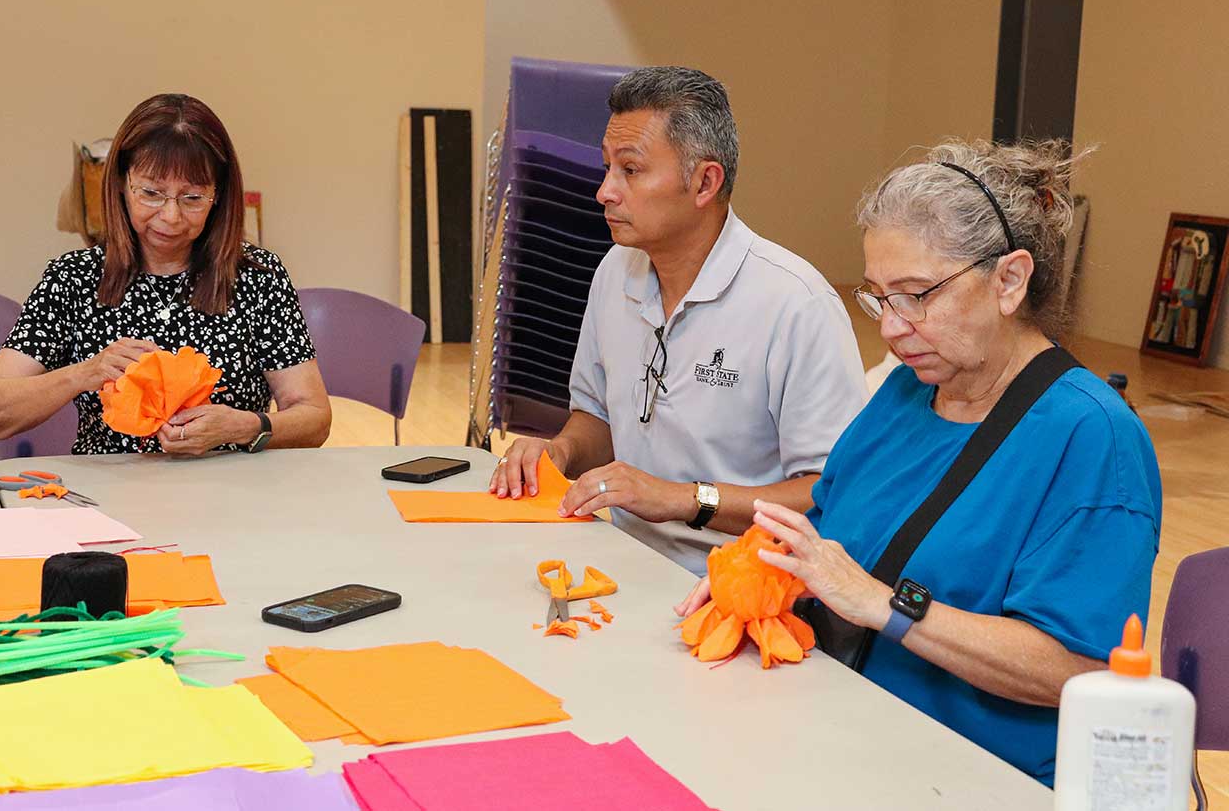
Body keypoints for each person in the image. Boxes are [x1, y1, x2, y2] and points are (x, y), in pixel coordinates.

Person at [676, 139, 1160, 786]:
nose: (893, 328)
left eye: (916, 295)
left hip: (971, 776)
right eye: (879, 298)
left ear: (1009, 280)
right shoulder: (906, 391)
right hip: (833, 729)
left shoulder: (1091, 436)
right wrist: (767, 571)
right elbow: (830, 529)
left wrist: (886, 603)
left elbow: (1076, 668)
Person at [491, 67, 867, 574]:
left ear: (705, 182)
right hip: (617, 557)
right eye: (606, 168)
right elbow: (597, 418)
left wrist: (687, 499)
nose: (604, 191)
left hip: (734, 584)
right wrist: (558, 452)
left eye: (630, 169)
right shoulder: (614, 272)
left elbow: (827, 495)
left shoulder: (796, 305)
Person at [0, 94, 331, 455]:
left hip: (231, 493)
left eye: (192, 198)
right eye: (152, 193)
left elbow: (314, 417)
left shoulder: (255, 278)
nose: (170, 216)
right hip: (105, 499)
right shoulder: (75, 277)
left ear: (218, 196)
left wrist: (244, 426)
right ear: (122, 185)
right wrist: (85, 373)